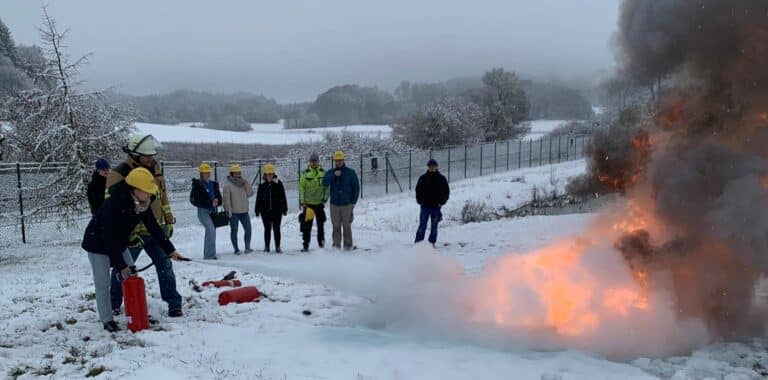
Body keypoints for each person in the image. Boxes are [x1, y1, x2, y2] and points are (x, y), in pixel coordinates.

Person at [82, 167, 185, 332]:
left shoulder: (144, 203)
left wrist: (170, 250)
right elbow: (109, 238)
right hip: (97, 244)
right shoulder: (114, 203)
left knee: (132, 279)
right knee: (103, 284)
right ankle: (107, 320)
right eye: (147, 191)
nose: (151, 195)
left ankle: (137, 314)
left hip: (119, 242)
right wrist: (121, 266)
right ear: (135, 189)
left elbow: (154, 228)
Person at [106, 134, 184, 318]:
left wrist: (168, 217)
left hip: (154, 228)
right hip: (130, 234)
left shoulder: (155, 169)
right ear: (134, 154)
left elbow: (162, 195)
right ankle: (113, 304)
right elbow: (109, 207)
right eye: (146, 155)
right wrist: (124, 232)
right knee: (121, 270)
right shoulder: (119, 174)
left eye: (151, 155)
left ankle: (174, 303)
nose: (150, 158)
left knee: (165, 265)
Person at [322, 151, 360, 250]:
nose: (338, 162)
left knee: (347, 225)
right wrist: (334, 175)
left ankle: (348, 245)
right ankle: (336, 246)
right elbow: (324, 183)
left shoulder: (350, 172)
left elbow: (356, 188)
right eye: (336, 160)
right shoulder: (330, 172)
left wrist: (353, 202)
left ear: (343, 160)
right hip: (334, 204)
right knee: (336, 225)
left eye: (340, 160)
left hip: (347, 204)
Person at [190, 163, 222, 260]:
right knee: (210, 230)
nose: (208, 174)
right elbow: (195, 200)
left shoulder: (214, 184)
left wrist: (217, 201)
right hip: (203, 211)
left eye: (208, 172)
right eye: (205, 173)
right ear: (201, 174)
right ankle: (209, 256)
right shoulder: (197, 185)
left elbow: (219, 197)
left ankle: (209, 253)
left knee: (211, 232)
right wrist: (209, 203)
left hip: (212, 211)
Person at [415, 159, 450, 246]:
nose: (431, 167)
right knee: (422, 225)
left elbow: (446, 191)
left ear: (436, 167)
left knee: (434, 226)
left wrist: (442, 202)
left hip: (436, 207)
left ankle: (431, 243)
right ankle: (418, 242)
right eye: (430, 166)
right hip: (425, 206)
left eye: (433, 166)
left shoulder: (441, 179)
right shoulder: (423, 178)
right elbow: (418, 190)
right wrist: (420, 201)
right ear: (428, 167)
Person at [299, 153, 329, 252]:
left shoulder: (323, 173)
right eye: (312, 161)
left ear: (318, 161)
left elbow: (327, 187)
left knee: (321, 225)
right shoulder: (305, 173)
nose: (314, 163)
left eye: (315, 161)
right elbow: (301, 188)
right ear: (309, 162)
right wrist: (302, 201)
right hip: (308, 205)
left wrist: (325, 199)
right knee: (307, 226)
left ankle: (321, 243)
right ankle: (305, 245)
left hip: (319, 204)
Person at [222, 164, 254, 254]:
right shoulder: (227, 185)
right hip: (234, 213)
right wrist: (228, 210)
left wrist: (247, 185)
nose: (238, 174)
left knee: (248, 229)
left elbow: (250, 193)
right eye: (236, 173)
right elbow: (226, 199)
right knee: (234, 231)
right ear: (232, 173)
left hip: (244, 211)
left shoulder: (243, 183)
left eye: (239, 172)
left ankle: (247, 247)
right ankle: (236, 249)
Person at [255, 163, 287, 253]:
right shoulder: (262, 185)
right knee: (267, 228)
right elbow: (258, 198)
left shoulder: (278, 183)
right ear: (265, 175)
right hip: (265, 211)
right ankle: (267, 246)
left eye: (271, 174)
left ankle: (277, 246)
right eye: (268, 174)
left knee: (277, 228)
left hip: (277, 211)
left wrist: (284, 208)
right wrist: (257, 210)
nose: (269, 176)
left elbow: (283, 196)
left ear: (273, 174)